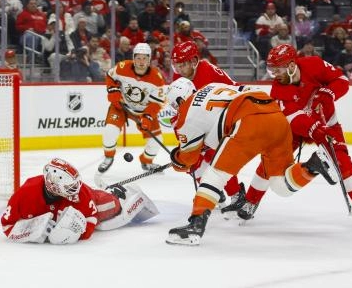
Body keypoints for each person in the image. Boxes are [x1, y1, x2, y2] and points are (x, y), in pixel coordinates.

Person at [164, 78, 338, 246]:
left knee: (215, 174)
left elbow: (188, 160)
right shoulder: (210, 87)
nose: (175, 110)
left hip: (248, 119)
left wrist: (176, 158)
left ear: (180, 99)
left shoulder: (187, 114)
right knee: (280, 185)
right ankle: (313, 166)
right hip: (276, 116)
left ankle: (195, 225)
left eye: (174, 105)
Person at [244, 44, 352, 227]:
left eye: (277, 69)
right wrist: (315, 128)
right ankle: (251, 201)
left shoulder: (314, 64)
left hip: (326, 122)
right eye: (271, 69)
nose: (274, 74)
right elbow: (294, 118)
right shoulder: (277, 90)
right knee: (270, 160)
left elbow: (341, 80)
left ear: (291, 66)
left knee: (342, 160)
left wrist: (329, 92)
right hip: (295, 130)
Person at [1, 158, 158, 244]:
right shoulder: (25, 194)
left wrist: (77, 231)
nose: (74, 188)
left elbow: (91, 219)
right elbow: (7, 225)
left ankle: (115, 192)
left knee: (112, 206)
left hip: (93, 196)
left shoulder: (79, 193)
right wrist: (33, 232)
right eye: (69, 186)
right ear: (54, 186)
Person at [171, 40, 244, 210]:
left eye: (183, 65)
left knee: (215, 156)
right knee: (193, 163)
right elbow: (182, 108)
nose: (179, 70)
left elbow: (203, 111)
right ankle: (213, 192)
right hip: (210, 119)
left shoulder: (205, 72)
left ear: (194, 61)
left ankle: (237, 195)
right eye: (176, 65)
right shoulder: (182, 78)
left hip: (228, 116)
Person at [94, 43, 166, 183]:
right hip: (121, 106)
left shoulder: (157, 77)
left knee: (156, 141)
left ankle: (146, 162)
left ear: (149, 59)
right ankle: (108, 157)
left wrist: (148, 116)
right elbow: (110, 76)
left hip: (143, 111)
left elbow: (158, 102)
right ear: (133, 58)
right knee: (109, 131)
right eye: (138, 58)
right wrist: (113, 91)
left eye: (144, 58)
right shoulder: (122, 67)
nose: (141, 62)